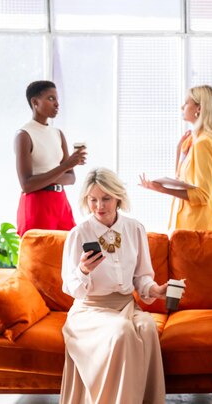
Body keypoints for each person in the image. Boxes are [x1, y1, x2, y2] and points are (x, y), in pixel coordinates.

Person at [60, 167, 170, 404]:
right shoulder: (79, 234)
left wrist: (156, 290)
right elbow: (70, 287)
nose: (100, 206)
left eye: (106, 198)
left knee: (147, 326)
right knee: (122, 332)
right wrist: (83, 271)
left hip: (126, 306)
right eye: (93, 200)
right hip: (90, 310)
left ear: (118, 197)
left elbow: (141, 278)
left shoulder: (135, 229)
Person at [139, 85, 212, 231]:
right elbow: (182, 181)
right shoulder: (195, 142)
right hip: (190, 228)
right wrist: (179, 150)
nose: (182, 107)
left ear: (199, 108)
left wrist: (162, 189)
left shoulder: (204, 143)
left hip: (201, 230)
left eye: (187, 103)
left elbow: (202, 195)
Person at [14, 80, 87, 237]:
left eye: (57, 99)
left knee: (67, 255)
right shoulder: (24, 135)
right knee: (39, 257)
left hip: (60, 202)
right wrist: (65, 166)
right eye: (51, 98)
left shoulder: (58, 134)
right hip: (36, 204)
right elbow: (27, 184)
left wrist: (65, 168)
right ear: (35, 102)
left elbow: (71, 178)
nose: (57, 104)